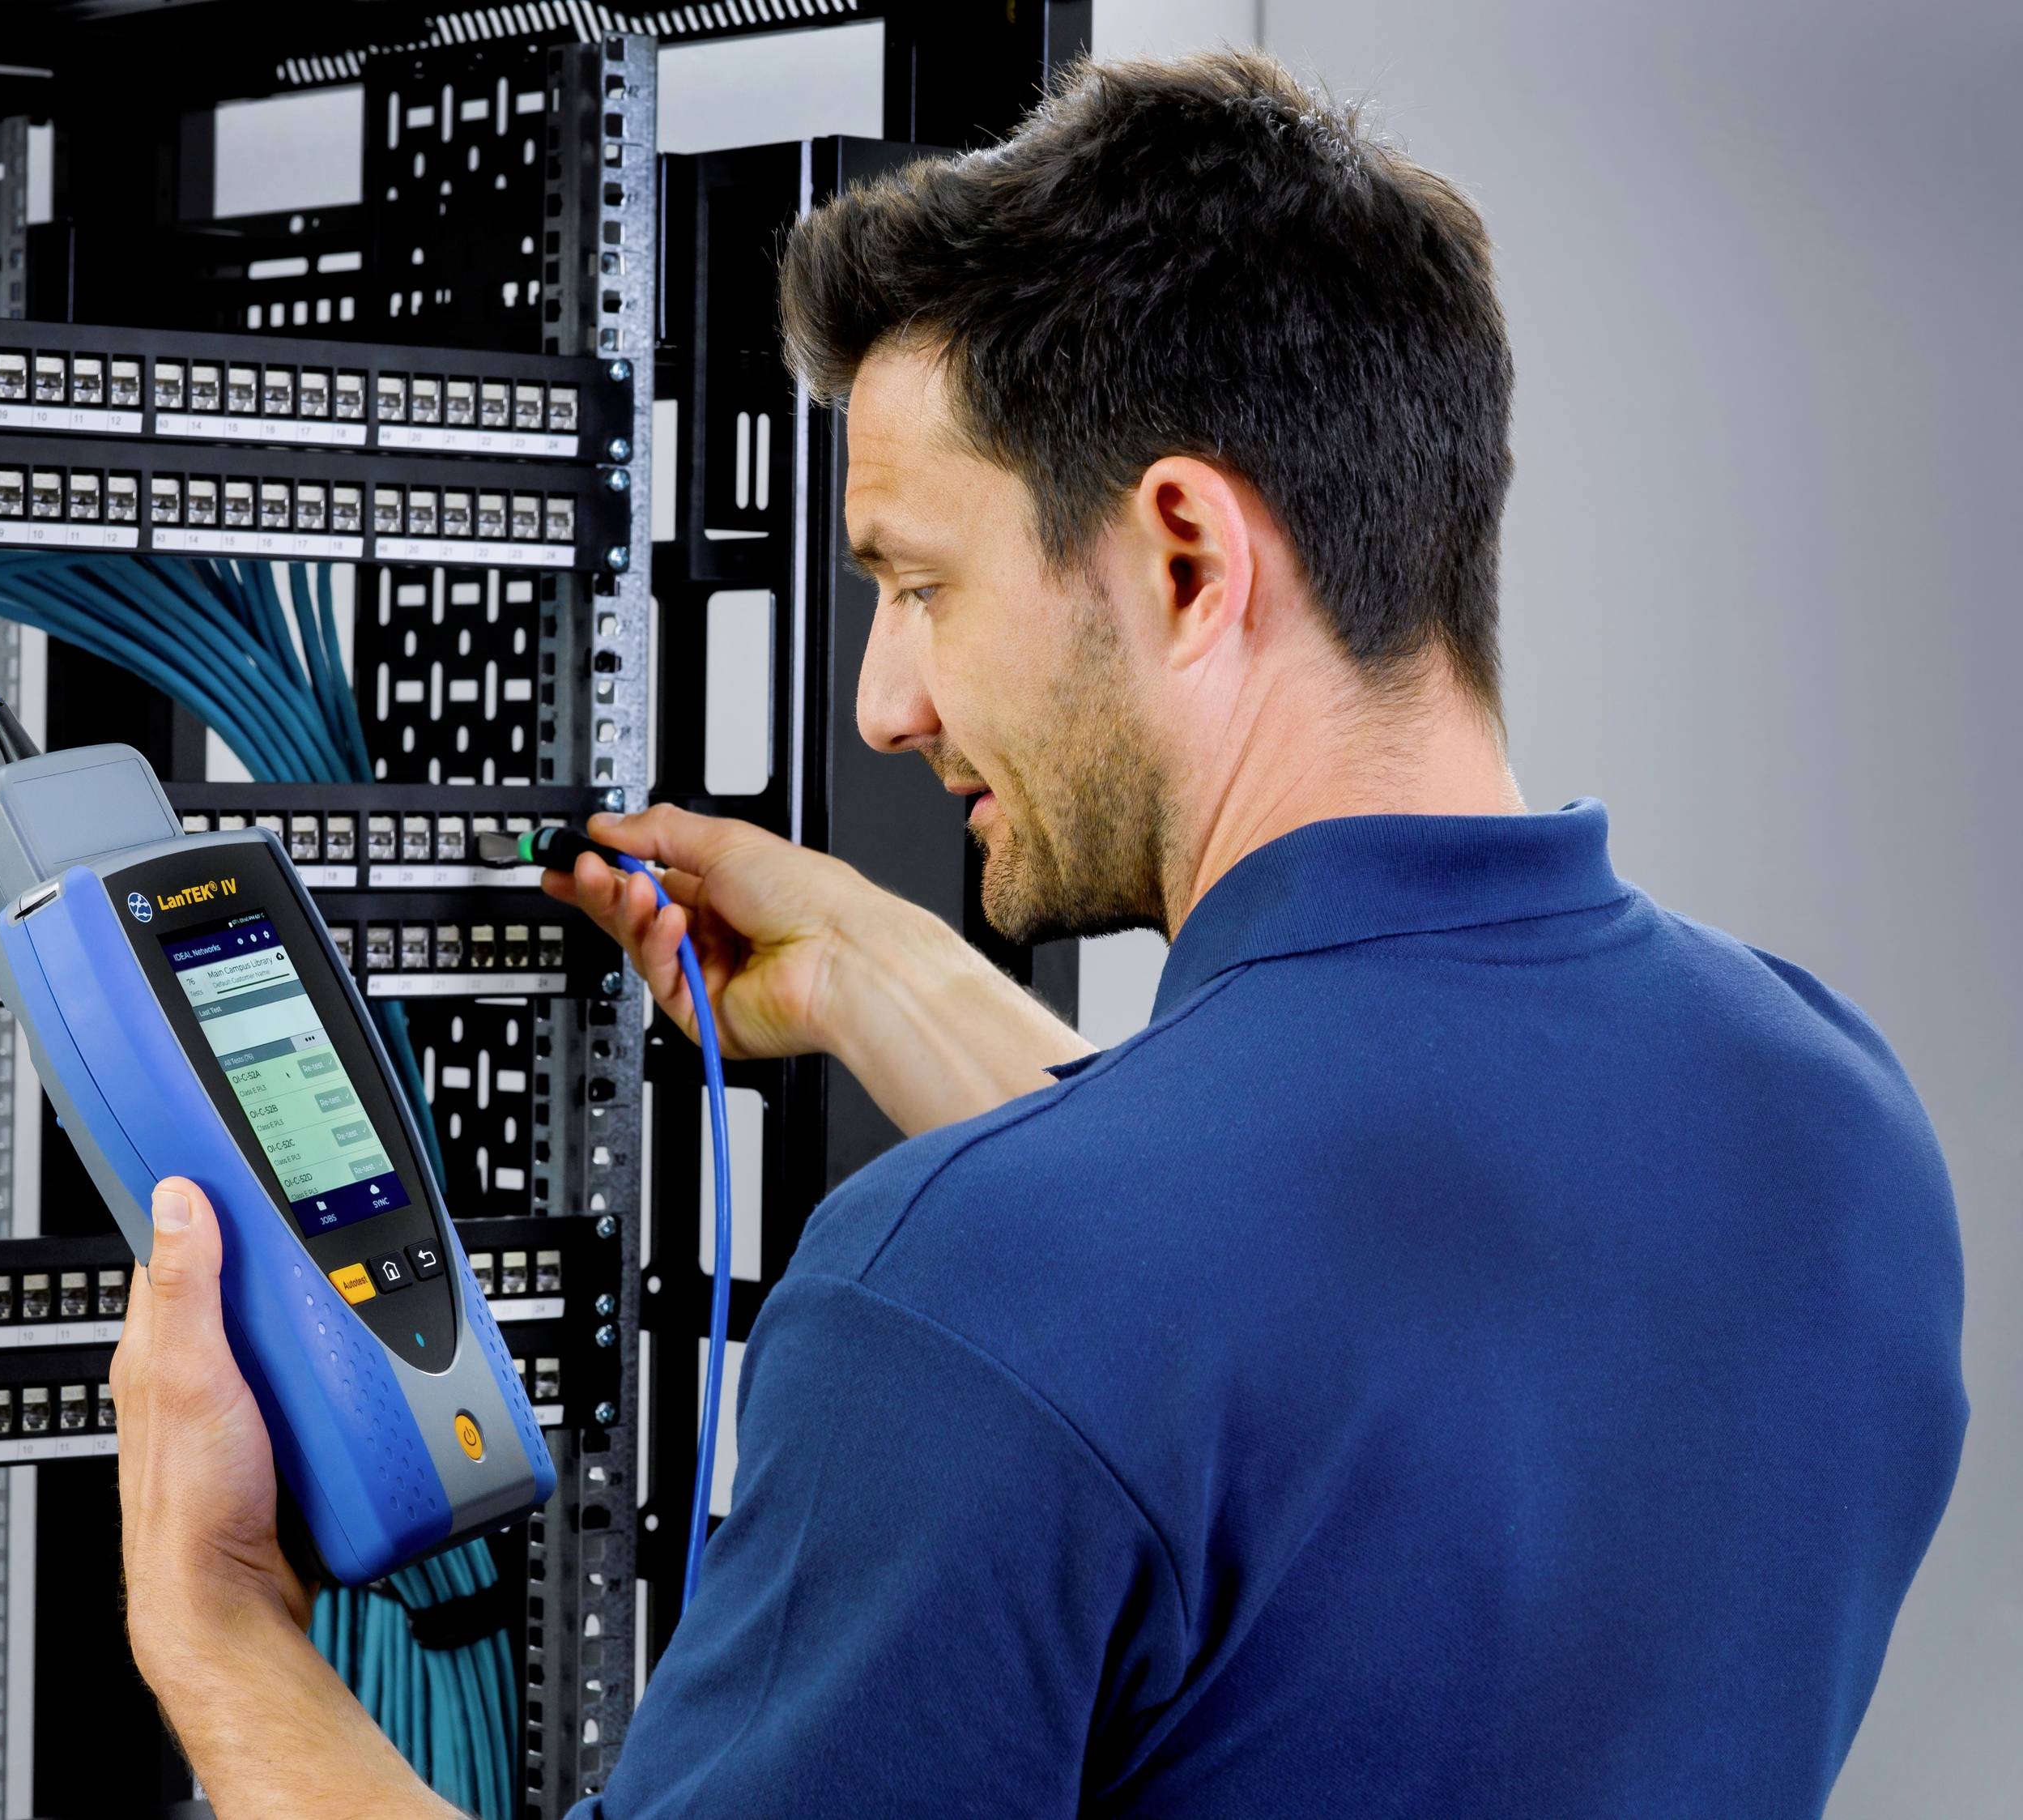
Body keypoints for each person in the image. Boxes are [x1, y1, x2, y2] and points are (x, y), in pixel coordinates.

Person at [109, 49, 1967, 1819]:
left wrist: (219, 1617)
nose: (883, 706)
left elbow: (1139, 1306)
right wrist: (885, 979)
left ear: (1187, 556)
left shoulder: (960, 1290)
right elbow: (1303, 1296)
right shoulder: (1831, 1117)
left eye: (921, 583)